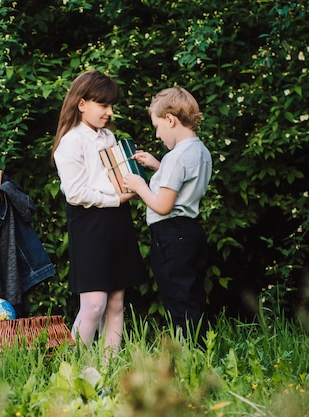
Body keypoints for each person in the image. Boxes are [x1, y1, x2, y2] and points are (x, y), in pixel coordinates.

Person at [51, 70, 146, 356]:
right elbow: (76, 194)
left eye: (111, 106)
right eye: (103, 105)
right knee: (93, 305)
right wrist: (116, 199)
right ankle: (73, 373)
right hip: (89, 224)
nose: (110, 112)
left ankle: (108, 372)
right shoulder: (71, 141)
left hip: (118, 221)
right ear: (82, 104)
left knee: (116, 303)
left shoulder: (109, 137)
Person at [121, 87, 212, 340]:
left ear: (170, 119)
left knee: (177, 298)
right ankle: (201, 348)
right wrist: (157, 166)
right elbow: (182, 186)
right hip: (190, 232)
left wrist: (139, 186)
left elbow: (163, 205)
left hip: (170, 235)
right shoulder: (199, 151)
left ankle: (191, 352)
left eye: (158, 126)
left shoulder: (176, 157)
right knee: (191, 295)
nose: (158, 134)